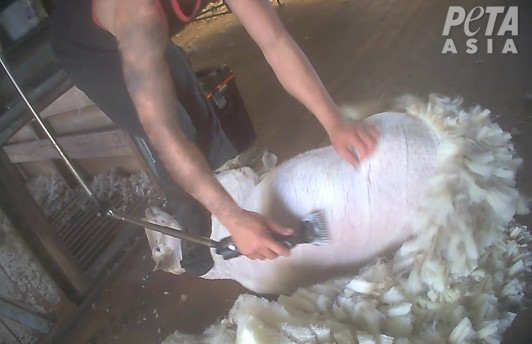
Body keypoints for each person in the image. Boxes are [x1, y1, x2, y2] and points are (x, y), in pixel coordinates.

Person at [50, 0, 379, 276]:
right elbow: (164, 132)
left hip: (146, 33)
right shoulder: (139, 16)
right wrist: (233, 218)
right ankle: (197, 235)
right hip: (91, 48)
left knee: (199, 115)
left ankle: (231, 202)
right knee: (175, 124)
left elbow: (275, 41)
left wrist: (333, 120)